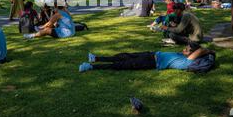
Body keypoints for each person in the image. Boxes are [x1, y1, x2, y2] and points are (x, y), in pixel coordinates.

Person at [79, 42, 213, 72]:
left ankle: (90, 67)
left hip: (150, 62)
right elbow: (199, 50)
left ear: (193, 54)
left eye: (187, 49)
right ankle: (96, 58)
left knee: (122, 65)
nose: (184, 49)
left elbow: (201, 50)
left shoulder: (185, 62)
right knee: (123, 56)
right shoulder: (182, 55)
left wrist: (207, 51)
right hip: (151, 54)